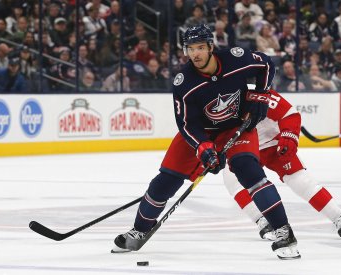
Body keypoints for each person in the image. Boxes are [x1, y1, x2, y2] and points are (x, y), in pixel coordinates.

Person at [111, 24, 301, 259]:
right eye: (190, 49)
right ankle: (139, 231)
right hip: (202, 132)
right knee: (164, 183)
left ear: (211, 46)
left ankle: (283, 231)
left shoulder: (235, 58)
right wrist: (205, 149)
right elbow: (187, 125)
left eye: (200, 47)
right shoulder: (184, 82)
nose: (195, 54)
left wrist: (260, 96)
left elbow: (266, 64)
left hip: (236, 128)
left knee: (248, 171)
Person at [224, 85, 341, 240]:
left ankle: (340, 219)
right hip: (244, 146)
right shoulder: (212, 96)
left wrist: (289, 137)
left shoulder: (255, 92)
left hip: (273, 143)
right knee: (231, 180)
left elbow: (290, 115)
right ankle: (263, 222)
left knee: (299, 179)